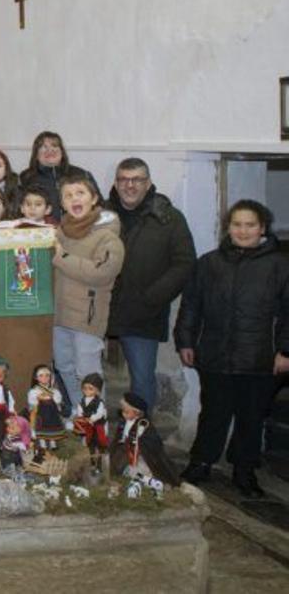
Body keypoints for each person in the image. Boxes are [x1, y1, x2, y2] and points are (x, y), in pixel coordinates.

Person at [176, 200, 289, 498]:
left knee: (251, 417)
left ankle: (244, 470)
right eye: (237, 224)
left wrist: (286, 351)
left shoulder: (280, 265)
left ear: (262, 228)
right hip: (215, 354)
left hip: (260, 357)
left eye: (250, 225)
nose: (243, 230)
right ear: (228, 227)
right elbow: (191, 306)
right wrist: (185, 341)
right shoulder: (209, 263)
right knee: (213, 412)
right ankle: (200, 463)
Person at [105, 158, 196, 412]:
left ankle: (141, 443)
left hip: (143, 312)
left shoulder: (169, 217)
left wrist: (153, 297)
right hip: (99, 309)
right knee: (87, 375)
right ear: (116, 182)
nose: (130, 185)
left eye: (137, 180)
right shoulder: (101, 215)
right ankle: (95, 437)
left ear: (149, 183)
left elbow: (184, 263)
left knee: (143, 381)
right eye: (124, 179)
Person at [52, 172, 125, 410]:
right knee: (65, 367)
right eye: (68, 195)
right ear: (62, 203)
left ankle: (97, 424)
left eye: (80, 193)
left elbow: (101, 273)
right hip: (58, 316)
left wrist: (61, 257)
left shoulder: (108, 237)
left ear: (94, 198)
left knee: (88, 374)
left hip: (87, 317)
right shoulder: (58, 233)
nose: (75, 199)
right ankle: (79, 414)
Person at [19, 131, 95, 221]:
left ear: (62, 152)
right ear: (36, 154)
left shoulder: (81, 174)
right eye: (44, 147)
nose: (50, 150)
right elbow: (19, 209)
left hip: (78, 228)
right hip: (40, 230)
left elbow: (98, 205)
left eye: (54, 146)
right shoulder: (26, 177)